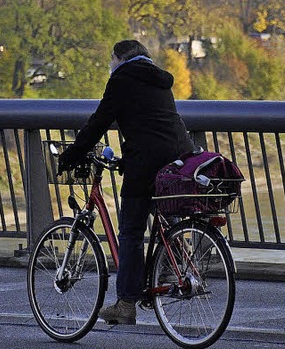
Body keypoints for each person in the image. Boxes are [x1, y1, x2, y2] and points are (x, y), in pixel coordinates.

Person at [57, 38, 191, 326]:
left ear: (119, 58)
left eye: (110, 59)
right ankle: (172, 261)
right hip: (180, 156)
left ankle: (126, 303)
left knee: (130, 231)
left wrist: (71, 155)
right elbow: (152, 123)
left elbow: (98, 122)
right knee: (167, 213)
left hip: (145, 162)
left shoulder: (121, 80)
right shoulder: (159, 80)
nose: (110, 64)